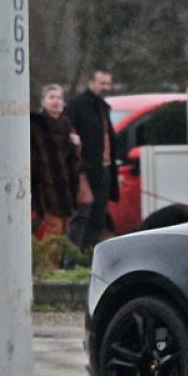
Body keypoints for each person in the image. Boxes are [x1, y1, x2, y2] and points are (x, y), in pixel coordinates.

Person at [66, 70, 120, 249]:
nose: (106, 88)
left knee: (98, 214)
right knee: (83, 215)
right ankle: (75, 255)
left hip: (103, 168)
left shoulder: (103, 107)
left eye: (108, 84)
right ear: (91, 82)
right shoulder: (77, 106)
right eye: (102, 83)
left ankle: (89, 253)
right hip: (86, 170)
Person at [29, 85, 85, 241]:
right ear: (43, 101)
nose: (56, 101)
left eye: (59, 98)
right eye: (51, 97)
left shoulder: (66, 125)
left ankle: (57, 263)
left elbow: (74, 162)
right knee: (51, 229)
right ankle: (48, 265)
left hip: (65, 189)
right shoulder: (36, 125)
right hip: (44, 189)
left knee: (63, 230)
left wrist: (76, 146)